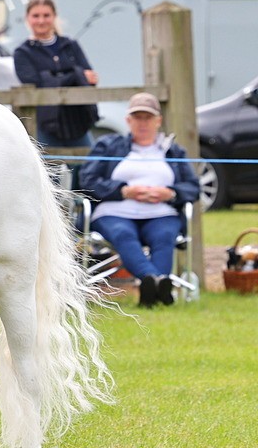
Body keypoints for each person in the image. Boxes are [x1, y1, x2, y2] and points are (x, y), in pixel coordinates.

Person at [78, 92, 200, 307]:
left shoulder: (173, 151)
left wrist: (169, 194)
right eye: (137, 117)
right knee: (123, 234)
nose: (143, 123)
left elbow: (193, 187)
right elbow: (87, 180)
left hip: (162, 212)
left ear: (158, 121)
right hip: (114, 212)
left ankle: (151, 290)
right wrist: (124, 191)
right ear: (128, 120)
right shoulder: (108, 146)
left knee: (164, 236)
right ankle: (157, 282)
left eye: (148, 117)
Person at [13, 0, 100, 148]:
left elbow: (90, 78)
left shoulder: (70, 45)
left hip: (77, 122)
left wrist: (52, 77)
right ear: (27, 18)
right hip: (46, 125)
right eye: (36, 16)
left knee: (87, 167)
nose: (41, 20)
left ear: (54, 17)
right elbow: (36, 84)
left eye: (46, 15)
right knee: (45, 170)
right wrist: (75, 74)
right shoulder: (22, 52)